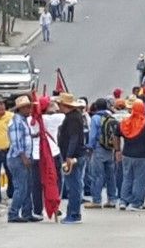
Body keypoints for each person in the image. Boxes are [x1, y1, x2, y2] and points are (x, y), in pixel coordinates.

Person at [115, 100, 145, 211]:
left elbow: (116, 135)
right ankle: (136, 203)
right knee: (140, 180)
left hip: (127, 155)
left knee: (127, 178)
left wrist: (117, 150)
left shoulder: (125, 122)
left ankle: (123, 201)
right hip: (143, 156)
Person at [7, 96, 41, 223]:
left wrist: (34, 135)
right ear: (20, 109)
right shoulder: (16, 122)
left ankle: (27, 212)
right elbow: (16, 142)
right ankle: (13, 213)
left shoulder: (23, 121)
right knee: (21, 187)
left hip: (24, 157)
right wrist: (24, 157)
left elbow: (24, 137)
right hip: (18, 158)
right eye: (27, 107)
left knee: (27, 186)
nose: (29, 110)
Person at [57, 93, 87, 224]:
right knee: (75, 184)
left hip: (73, 156)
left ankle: (74, 214)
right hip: (75, 154)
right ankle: (73, 213)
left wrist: (69, 155)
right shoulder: (74, 116)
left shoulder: (72, 118)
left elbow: (74, 138)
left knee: (73, 186)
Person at [85, 99, 118, 209]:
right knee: (110, 175)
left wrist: (90, 147)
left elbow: (93, 135)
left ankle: (96, 200)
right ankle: (112, 199)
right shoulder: (110, 116)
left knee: (97, 175)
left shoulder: (95, 118)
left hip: (99, 148)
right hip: (109, 148)